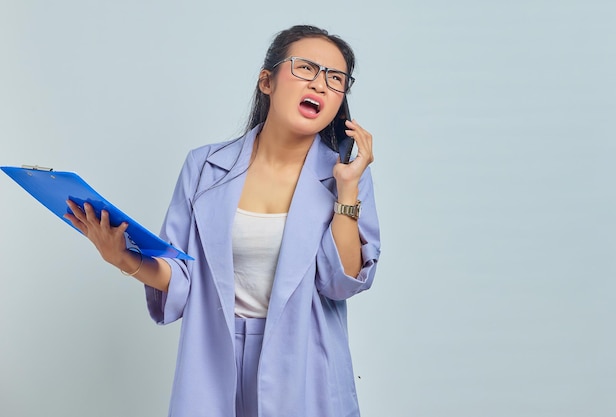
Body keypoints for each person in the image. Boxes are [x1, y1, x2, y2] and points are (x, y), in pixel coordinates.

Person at [65, 24, 381, 417]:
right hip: (214, 355)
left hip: (306, 362)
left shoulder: (345, 174)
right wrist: (122, 258)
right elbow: (183, 276)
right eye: (306, 68)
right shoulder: (204, 167)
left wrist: (347, 190)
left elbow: (340, 282)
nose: (320, 85)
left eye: (336, 79)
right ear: (267, 81)